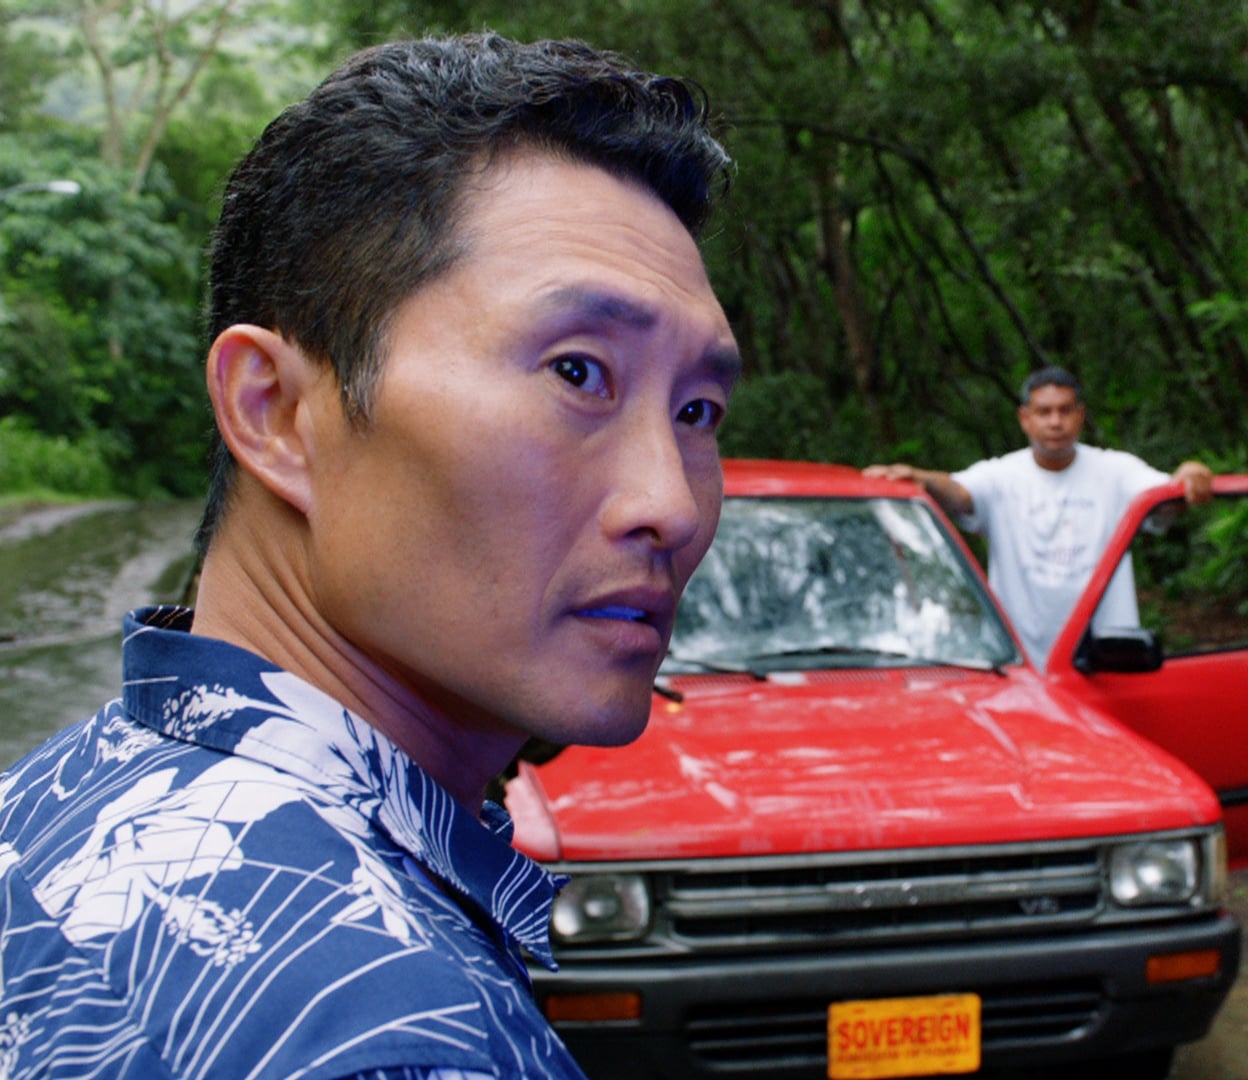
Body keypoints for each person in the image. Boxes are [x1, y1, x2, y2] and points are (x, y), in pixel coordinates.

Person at [0, 33, 738, 1078]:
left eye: (698, 410)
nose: (670, 504)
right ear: (276, 413)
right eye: (578, 372)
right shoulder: (386, 1031)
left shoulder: (58, 799)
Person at [865, 366, 1212, 671]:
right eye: (1044, 412)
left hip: (1106, 662)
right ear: (1025, 418)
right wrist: (921, 479)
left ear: (1080, 415)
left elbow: (1166, 498)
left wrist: (1190, 475)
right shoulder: (1002, 476)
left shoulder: (1116, 471)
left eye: (1065, 410)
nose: (1055, 422)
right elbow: (959, 493)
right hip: (1023, 667)